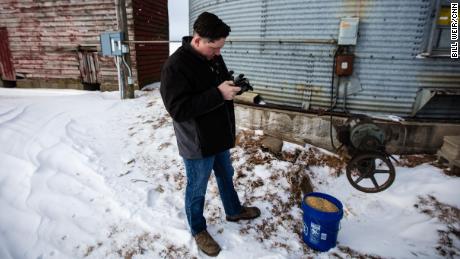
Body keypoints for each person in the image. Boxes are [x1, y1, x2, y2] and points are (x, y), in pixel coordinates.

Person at [160, 12, 261, 257]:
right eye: (214, 48)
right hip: (197, 142)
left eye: (220, 48)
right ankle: (198, 229)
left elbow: (220, 82)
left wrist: (233, 86)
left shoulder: (213, 56)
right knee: (197, 187)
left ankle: (233, 210)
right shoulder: (175, 67)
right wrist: (218, 94)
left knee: (227, 175)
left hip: (218, 134)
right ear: (197, 40)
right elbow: (178, 110)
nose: (218, 53)